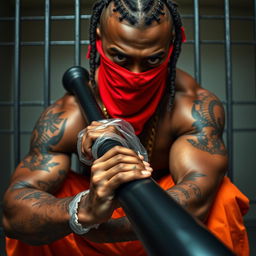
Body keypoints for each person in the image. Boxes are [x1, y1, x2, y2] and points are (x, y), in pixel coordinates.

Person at [3, 0, 249, 255]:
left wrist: (105, 228)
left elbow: (197, 200)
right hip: (94, 218)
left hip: (165, 228)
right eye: (120, 57)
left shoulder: (193, 107)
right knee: (47, 204)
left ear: (172, 43)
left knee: (223, 197)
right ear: (99, 36)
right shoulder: (67, 115)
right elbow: (13, 214)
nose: (135, 74)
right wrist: (82, 209)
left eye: (153, 59)